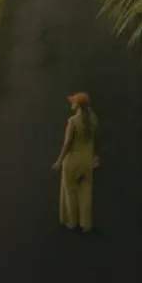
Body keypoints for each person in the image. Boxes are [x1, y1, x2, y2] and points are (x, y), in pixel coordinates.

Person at [53, 91, 100, 232]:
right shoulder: (93, 120)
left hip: (72, 161)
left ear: (78, 106)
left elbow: (67, 144)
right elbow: (96, 141)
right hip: (87, 161)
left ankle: (72, 222)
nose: (71, 104)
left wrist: (59, 161)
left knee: (70, 190)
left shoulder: (73, 122)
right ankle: (86, 224)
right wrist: (96, 157)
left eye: (73, 102)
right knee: (86, 191)